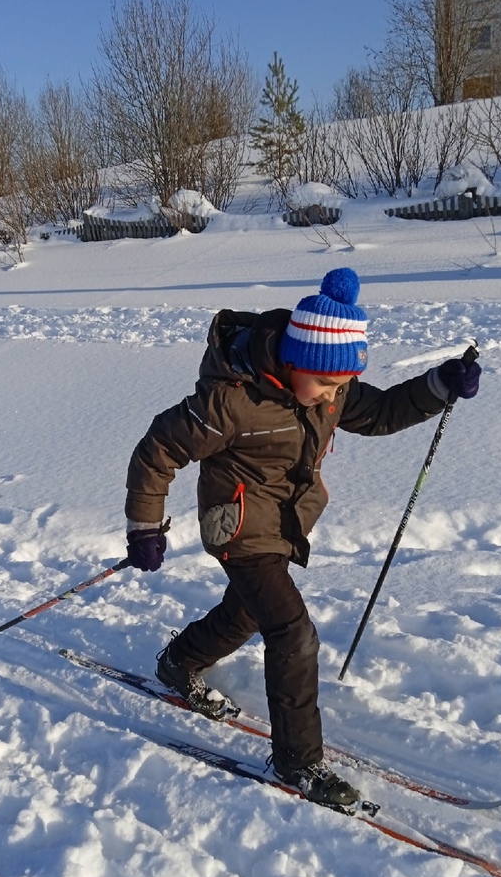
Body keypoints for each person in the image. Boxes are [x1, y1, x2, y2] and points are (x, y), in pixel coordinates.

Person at [124, 267, 480, 809]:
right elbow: (158, 449)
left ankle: (180, 661)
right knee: (291, 632)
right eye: (328, 385)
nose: (334, 397)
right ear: (294, 361)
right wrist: (145, 527)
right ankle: (296, 761)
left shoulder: (325, 389)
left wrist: (439, 385)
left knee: (248, 612)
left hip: (285, 522)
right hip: (239, 526)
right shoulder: (230, 401)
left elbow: (382, 412)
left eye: (340, 387)